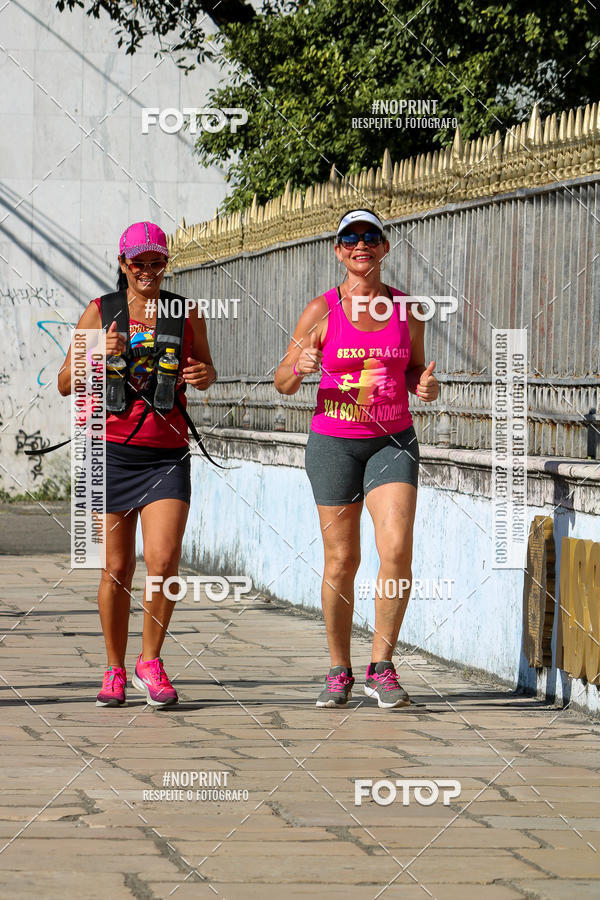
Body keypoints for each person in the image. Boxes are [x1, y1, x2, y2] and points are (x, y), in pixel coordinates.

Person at [274, 209, 439, 709]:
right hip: (334, 443)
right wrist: (298, 367)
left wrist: (424, 385)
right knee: (342, 559)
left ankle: (382, 667)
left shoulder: (407, 310)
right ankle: (338, 670)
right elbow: (282, 381)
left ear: (385, 248)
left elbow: (413, 371)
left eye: (371, 237)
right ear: (338, 250)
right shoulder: (320, 311)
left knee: (396, 551)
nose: (361, 245)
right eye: (351, 238)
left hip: (393, 440)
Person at [58, 222, 217, 708]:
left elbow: (207, 372)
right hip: (112, 451)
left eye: (157, 262)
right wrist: (92, 353)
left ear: (165, 263)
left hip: (167, 453)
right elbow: (65, 383)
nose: (148, 271)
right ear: (123, 263)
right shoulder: (99, 311)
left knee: (165, 563)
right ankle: (113, 669)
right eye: (138, 263)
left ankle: (151, 662)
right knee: (117, 567)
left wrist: (203, 374)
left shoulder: (184, 311)